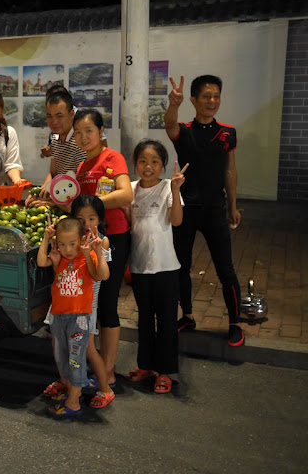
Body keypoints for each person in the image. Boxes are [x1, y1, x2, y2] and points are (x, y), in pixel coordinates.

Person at [165, 75, 244, 347]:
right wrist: (173, 105)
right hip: (186, 210)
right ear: (194, 100)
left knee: (226, 269)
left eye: (216, 96)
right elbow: (170, 125)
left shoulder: (228, 132)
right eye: (207, 96)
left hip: (215, 210)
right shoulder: (184, 131)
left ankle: (235, 323)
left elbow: (229, 171)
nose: (212, 101)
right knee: (181, 267)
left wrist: (233, 205)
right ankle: (187, 316)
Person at [74, 108, 133, 388]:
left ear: (101, 132)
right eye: (78, 132)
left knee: (107, 304)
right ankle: (93, 363)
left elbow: (126, 194)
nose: (84, 137)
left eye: (89, 131)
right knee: (91, 305)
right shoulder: (81, 167)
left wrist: (95, 203)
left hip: (115, 238)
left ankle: (107, 369)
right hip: (89, 243)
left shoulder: (113, 158)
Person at [124, 140, 187, 393]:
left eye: (154, 162)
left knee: (168, 320)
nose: (148, 166)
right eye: (142, 161)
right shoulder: (130, 189)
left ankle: (165, 371)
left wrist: (175, 189)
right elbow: (128, 222)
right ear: (135, 162)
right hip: (139, 266)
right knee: (145, 319)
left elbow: (177, 221)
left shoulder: (167, 188)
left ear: (162, 165)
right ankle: (145, 365)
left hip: (166, 267)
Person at [37, 217, 109, 418]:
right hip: (58, 316)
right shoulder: (59, 258)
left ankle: (74, 402)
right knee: (62, 359)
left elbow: (102, 275)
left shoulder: (86, 257)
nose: (67, 248)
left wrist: (95, 253)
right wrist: (46, 237)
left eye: (72, 243)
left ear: (81, 239)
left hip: (79, 318)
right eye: (62, 243)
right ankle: (70, 391)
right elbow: (42, 261)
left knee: (76, 359)